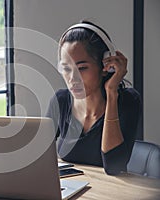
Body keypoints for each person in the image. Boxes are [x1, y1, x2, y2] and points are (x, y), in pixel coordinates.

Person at [46, 20, 142, 175]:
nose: (72, 78)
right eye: (66, 69)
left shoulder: (128, 101)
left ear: (105, 67)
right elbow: (39, 155)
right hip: (71, 189)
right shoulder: (60, 101)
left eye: (82, 68)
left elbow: (114, 166)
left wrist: (112, 93)